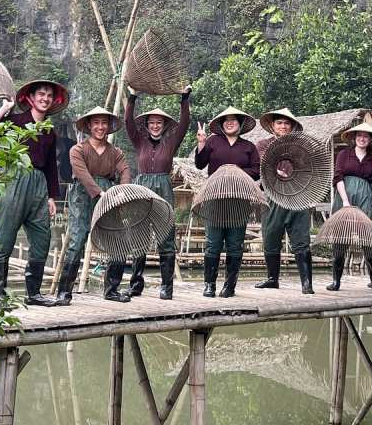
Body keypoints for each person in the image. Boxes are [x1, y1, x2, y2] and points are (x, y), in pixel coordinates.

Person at [0, 78, 69, 307]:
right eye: (41, 94)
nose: (45, 99)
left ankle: (33, 294)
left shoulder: (49, 131)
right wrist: (2, 112)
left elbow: (51, 166)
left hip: (39, 186)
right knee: (4, 239)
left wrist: (51, 196)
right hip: (15, 180)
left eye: (49, 96)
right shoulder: (15, 121)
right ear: (31, 98)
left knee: (43, 239)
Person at [56, 106, 132, 305]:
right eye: (96, 123)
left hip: (108, 195)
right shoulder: (77, 150)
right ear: (89, 125)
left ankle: (112, 290)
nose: (100, 127)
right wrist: (98, 192)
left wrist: (122, 190)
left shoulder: (116, 152)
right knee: (77, 239)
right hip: (82, 195)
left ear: (109, 126)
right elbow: (82, 174)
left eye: (104, 123)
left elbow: (125, 170)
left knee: (118, 239)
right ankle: (64, 292)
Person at [124, 86, 192, 300]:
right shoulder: (139, 142)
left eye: (159, 123)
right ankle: (136, 284)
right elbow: (128, 122)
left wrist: (184, 99)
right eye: (152, 123)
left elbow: (184, 124)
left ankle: (166, 287)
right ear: (147, 125)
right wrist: (132, 97)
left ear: (164, 126)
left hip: (163, 188)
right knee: (139, 236)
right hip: (141, 188)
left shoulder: (171, 142)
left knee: (165, 237)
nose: (155, 126)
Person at [195, 106, 260, 298]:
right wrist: (201, 143)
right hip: (215, 198)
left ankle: (230, 286)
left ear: (240, 124)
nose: (230, 123)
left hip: (239, 200)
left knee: (235, 244)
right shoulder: (213, 141)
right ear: (222, 124)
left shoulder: (249, 146)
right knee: (213, 243)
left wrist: (234, 171)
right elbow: (200, 164)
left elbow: (256, 171)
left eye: (233, 120)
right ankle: (209, 285)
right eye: (226, 120)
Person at [253, 108, 315, 294]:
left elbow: (310, 171)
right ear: (272, 126)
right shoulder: (263, 145)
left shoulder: (301, 147)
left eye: (287, 123)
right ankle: (272, 279)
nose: (283, 126)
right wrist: (274, 172)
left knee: (301, 239)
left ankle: (307, 283)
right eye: (279, 122)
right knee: (271, 236)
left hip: (297, 196)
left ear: (292, 126)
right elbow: (261, 168)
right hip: (272, 196)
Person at [329, 120, 372, 294]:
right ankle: (336, 281)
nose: (362, 138)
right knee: (340, 238)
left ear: (370, 139)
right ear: (354, 137)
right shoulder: (344, 154)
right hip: (344, 195)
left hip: (365, 196)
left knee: (368, 238)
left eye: (366, 136)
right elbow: (338, 177)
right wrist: (345, 201)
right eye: (359, 135)